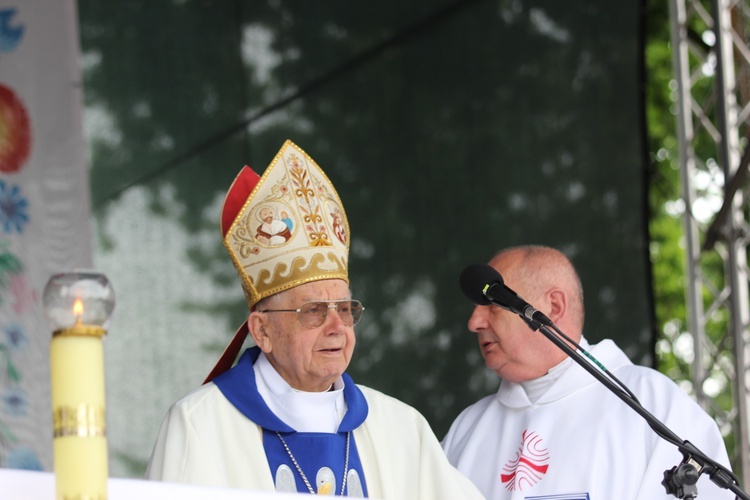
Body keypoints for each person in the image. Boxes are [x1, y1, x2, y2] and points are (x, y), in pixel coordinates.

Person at [146, 140, 484, 499]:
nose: (337, 327)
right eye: (314, 311)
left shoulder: (401, 428)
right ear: (262, 330)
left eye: (345, 309)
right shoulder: (201, 424)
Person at [441, 245, 737, 499]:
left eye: (492, 304)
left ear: (553, 306)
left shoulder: (654, 407)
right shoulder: (467, 430)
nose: (474, 322)